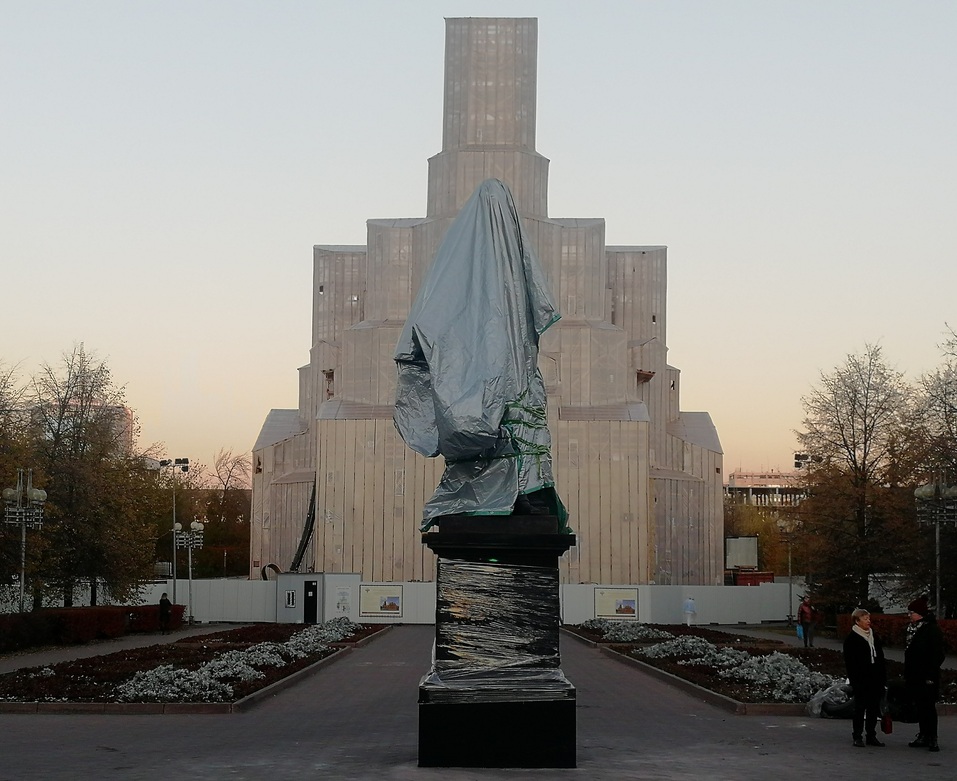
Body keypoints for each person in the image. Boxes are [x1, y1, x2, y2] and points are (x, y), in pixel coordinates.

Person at [904, 595, 946, 752]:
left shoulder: (931, 630)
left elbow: (938, 654)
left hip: (928, 675)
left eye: (912, 612)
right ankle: (923, 734)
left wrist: (930, 673)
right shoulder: (912, 629)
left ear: (920, 613)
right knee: (920, 705)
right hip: (915, 675)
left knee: (929, 706)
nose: (909, 615)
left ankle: (932, 737)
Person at [842, 608, 887, 748]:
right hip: (861, 679)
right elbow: (850, 663)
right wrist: (855, 681)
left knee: (873, 708)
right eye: (865, 618)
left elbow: (880, 657)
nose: (868, 621)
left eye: (869, 618)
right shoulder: (852, 639)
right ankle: (857, 736)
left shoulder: (874, 636)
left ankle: (871, 735)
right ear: (857, 621)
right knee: (860, 708)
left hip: (875, 678)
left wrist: (883, 677)